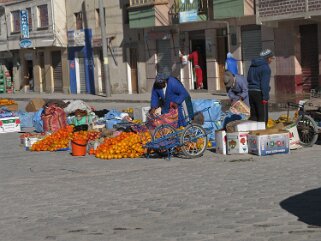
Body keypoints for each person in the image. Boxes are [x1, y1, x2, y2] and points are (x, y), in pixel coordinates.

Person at [247, 49, 274, 123]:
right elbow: (264, 84)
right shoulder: (265, 68)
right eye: (271, 58)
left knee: (254, 116)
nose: (271, 60)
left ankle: (253, 132)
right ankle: (261, 133)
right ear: (267, 58)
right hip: (260, 93)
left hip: (251, 92)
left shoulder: (252, 66)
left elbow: (248, 78)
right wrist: (265, 97)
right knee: (263, 118)